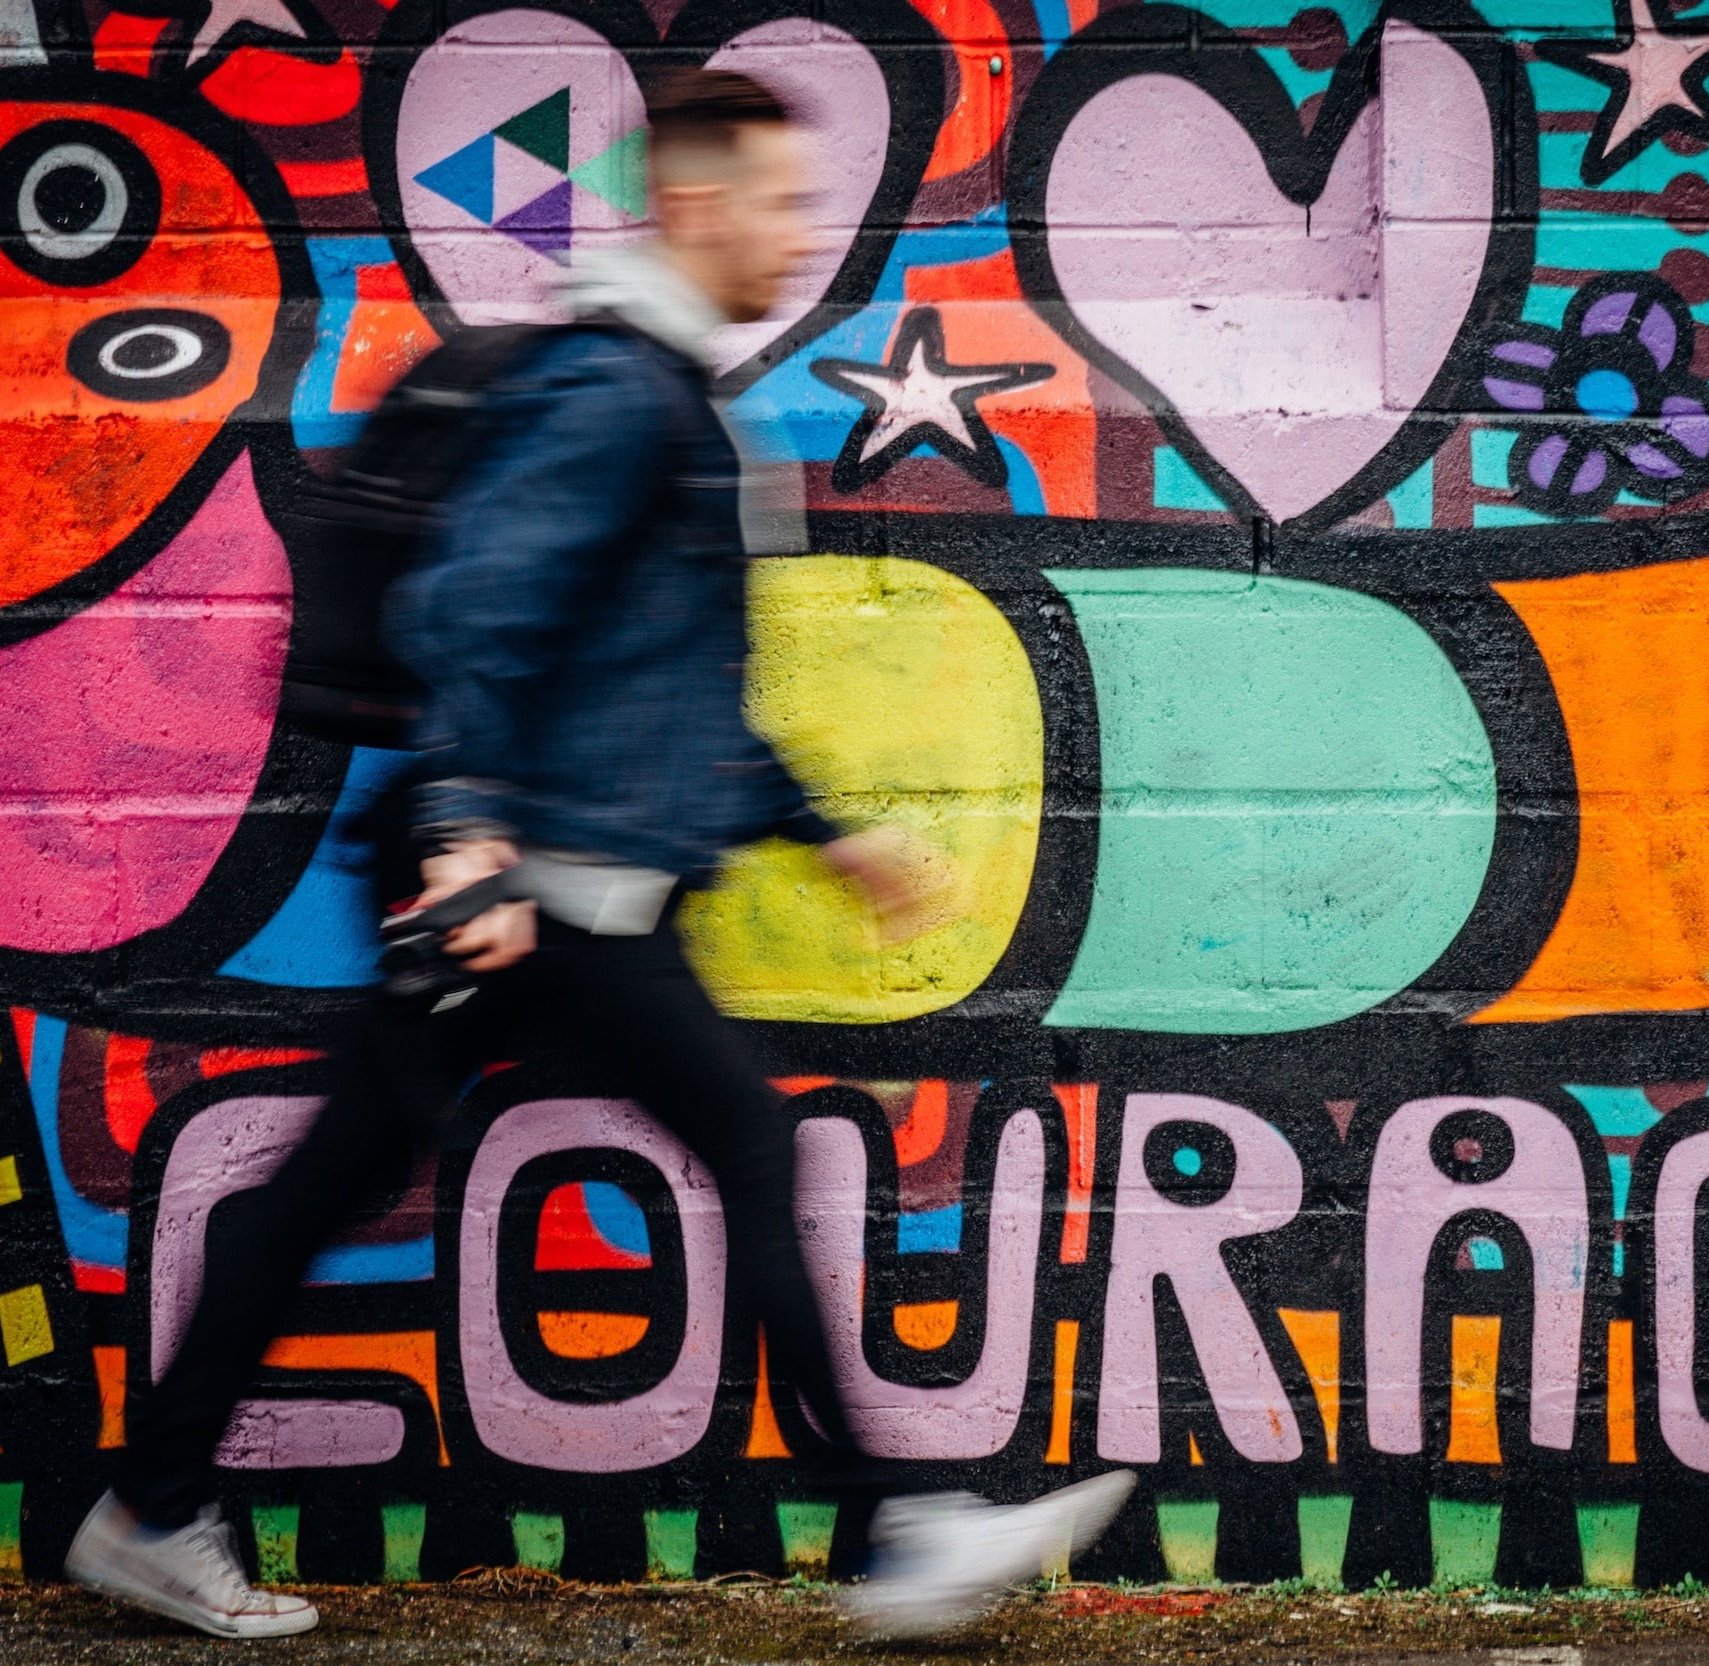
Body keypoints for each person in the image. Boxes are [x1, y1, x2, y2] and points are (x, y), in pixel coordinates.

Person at [63, 67, 1131, 1641]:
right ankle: (896, 1536)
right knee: (720, 1159)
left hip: (563, 884)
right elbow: (474, 607)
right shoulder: (613, 394)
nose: (798, 230)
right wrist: (471, 834)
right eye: (776, 199)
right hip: (535, 894)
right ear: (692, 204)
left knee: (330, 1187)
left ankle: (150, 1506)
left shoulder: (666, 393)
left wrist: (826, 837)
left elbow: (662, 682)